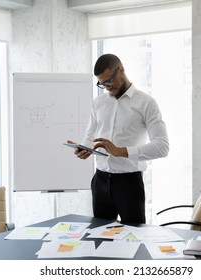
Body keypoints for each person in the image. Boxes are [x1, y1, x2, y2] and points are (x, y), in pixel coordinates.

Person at [70, 54, 169, 224]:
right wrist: (84, 148)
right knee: (99, 239)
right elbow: (89, 137)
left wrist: (121, 152)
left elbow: (162, 146)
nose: (107, 87)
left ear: (121, 70)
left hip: (129, 184)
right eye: (102, 84)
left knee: (134, 238)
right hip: (100, 181)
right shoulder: (98, 103)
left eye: (109, 81)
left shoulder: (146, 103)